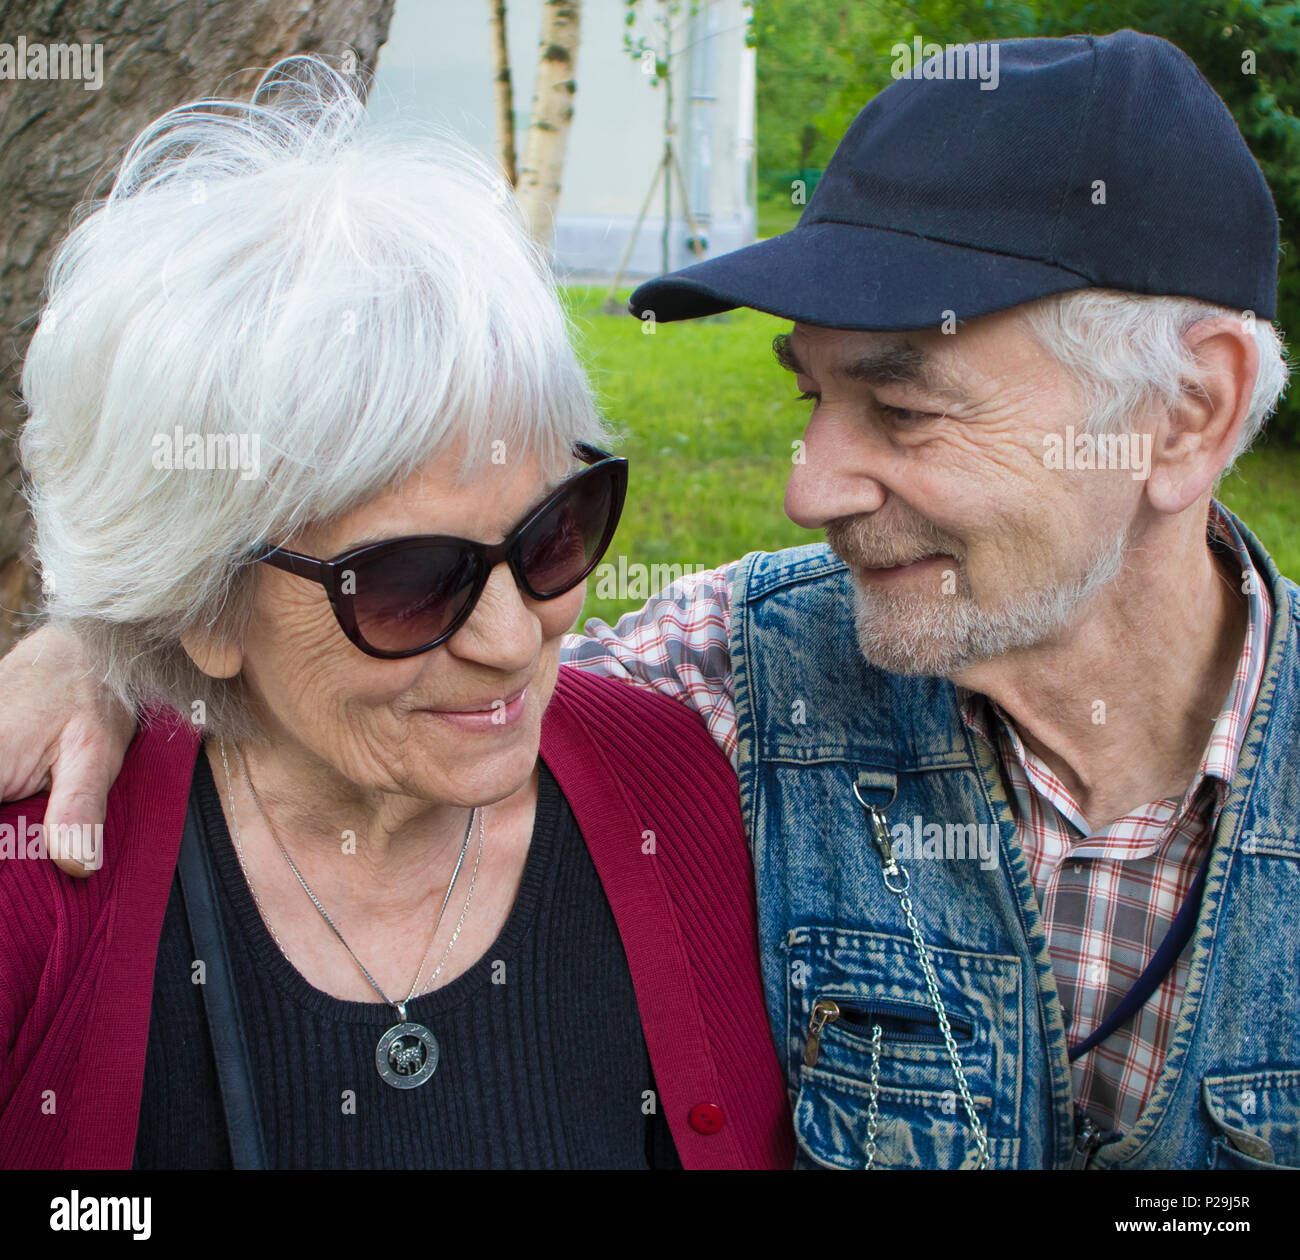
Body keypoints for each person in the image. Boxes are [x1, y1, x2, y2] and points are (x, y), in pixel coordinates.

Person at [3, 30, 1297, 1171]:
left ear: (1185, 416)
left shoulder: (710, 716)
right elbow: (394, 666)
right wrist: (118, 639)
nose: (808, 488)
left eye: (901, 408)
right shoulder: (740, 679)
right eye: (810, 395)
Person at [0, 58, 793, 1171]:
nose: (514, 639)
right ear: (202, 604)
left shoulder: (687, 784)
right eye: (413, 580)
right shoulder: (34, 893)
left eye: (554, 532)